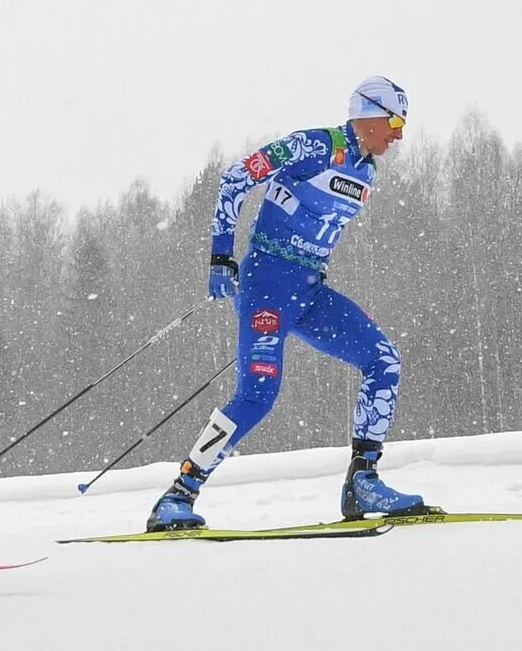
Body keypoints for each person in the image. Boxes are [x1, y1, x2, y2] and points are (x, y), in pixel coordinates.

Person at [147, 77, 423, 531]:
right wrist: (221, 255)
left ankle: (363, 481)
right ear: (366, 113)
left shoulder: (366, 171)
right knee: (258, 396)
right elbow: (236, 178)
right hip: (267, 289)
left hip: (310, 293)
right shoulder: (312, 145)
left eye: (403, 126)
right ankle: (177, 496)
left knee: (384, 360)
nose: (398, 135)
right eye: (394, 121)